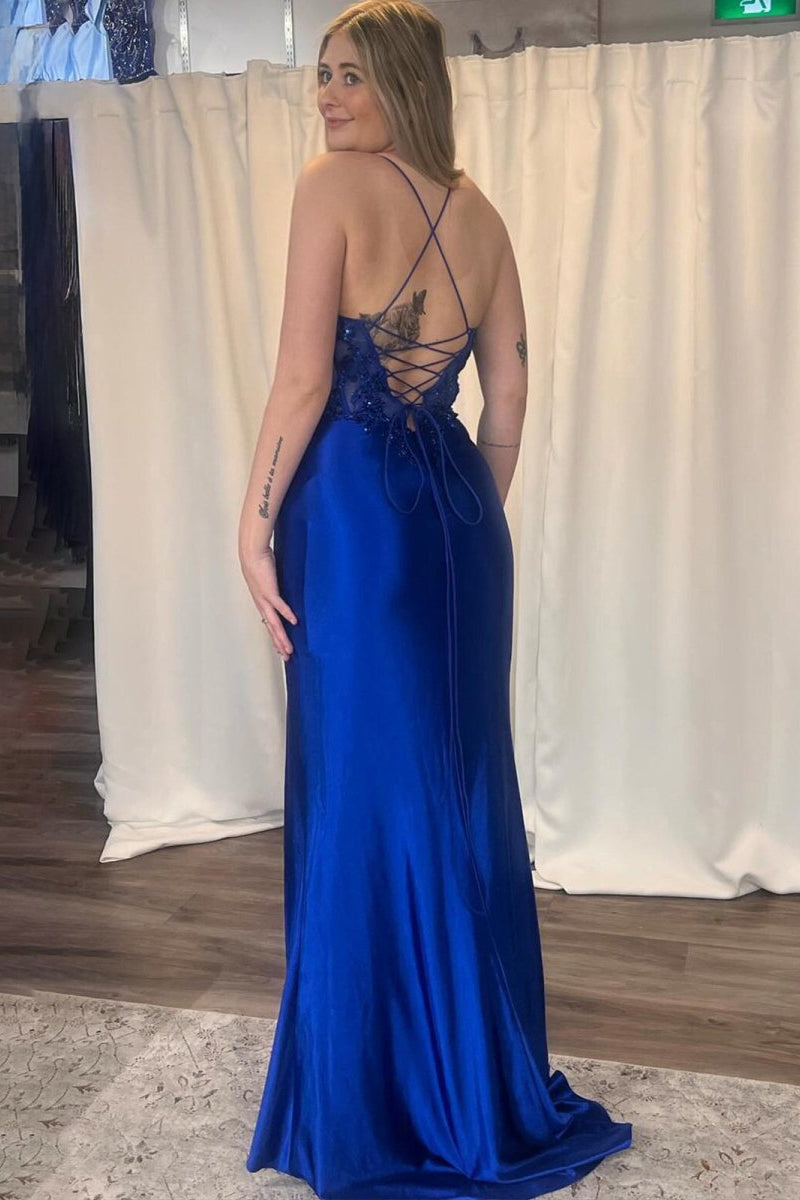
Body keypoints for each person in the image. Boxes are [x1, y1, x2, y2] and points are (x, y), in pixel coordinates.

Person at [238, 2, 633, 1195]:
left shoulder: (329, 188)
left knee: (361, 792)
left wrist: (252, 523)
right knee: (457, 787)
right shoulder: (483, 217)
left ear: (404, 81)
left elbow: (301, 381)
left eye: (349, 76)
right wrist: (465, 511)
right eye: (321, 76)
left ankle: (374, 1099)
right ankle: (471, 1076)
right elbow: (506, 397)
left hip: (353, 525)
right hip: (458, 524)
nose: (326, 98)